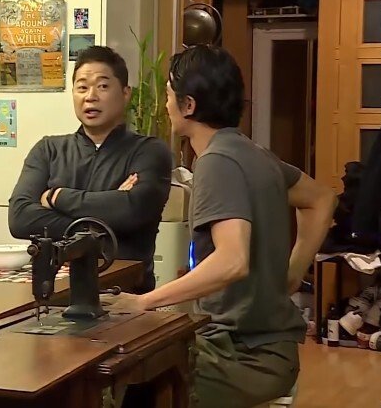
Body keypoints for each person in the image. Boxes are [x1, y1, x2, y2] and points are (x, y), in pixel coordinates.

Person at [113, 45, 337, 407]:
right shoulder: (253, 153)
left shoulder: (216, 162)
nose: (165, 106)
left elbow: (233, 261)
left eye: (169, 96)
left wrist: (144, 302)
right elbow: (322, 199)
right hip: (269, 353)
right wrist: (293, 271)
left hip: (244, 358)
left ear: (188, 105)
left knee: (123, 387)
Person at [7, 46, 173, 293]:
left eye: (103, 86)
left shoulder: (149, 151)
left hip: (125, 295)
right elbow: (20, 218)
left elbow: (133, 211)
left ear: (125, 93)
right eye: (82, 87)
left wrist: (56, 197)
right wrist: (106, 217)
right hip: (55, 293)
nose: (90, 96)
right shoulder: (49, 150)